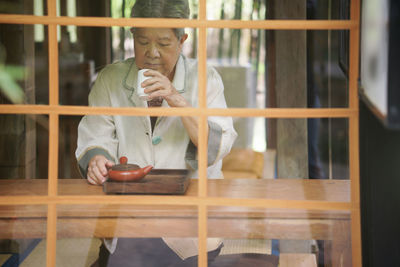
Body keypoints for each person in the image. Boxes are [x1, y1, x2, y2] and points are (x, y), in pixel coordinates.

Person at [75, 0, 237, 266]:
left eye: (163, 44)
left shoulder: (205, 79)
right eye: (142, 41)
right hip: (129, 219)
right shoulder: (111, 79)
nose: (152, 53)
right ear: (132, 36)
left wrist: (177, 99)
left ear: (182, 39)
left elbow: (216, 147)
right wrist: (96, 159)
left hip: (190, 223)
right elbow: (95, 136)